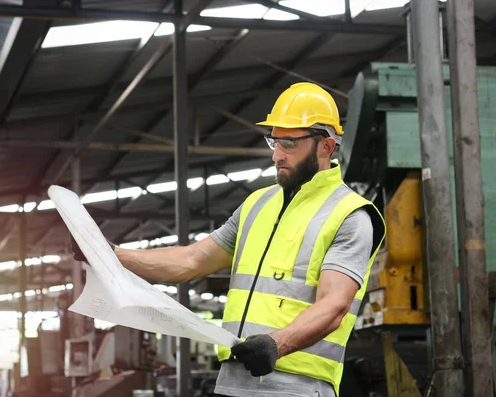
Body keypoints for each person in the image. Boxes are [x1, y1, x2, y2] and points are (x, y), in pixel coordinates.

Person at [70, 82, 386, 397]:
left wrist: (277, 345)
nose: (277, 155)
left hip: (296, 386)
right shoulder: (257, 206)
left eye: (289, 144)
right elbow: (191, 260)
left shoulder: (350, 216)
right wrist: (110, 254)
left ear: (326, 146)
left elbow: (334, 305)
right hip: (232, 381)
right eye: (273, 141)